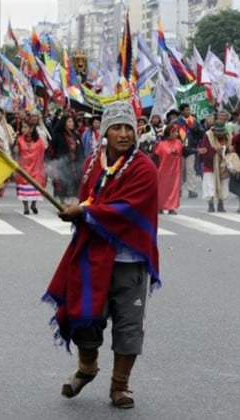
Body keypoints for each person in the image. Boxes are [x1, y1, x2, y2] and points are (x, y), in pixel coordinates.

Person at [43, 101, 160, 409]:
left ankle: (120, 386)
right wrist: (78, 210)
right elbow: (90, 199)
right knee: (85, 315)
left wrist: (84, 212)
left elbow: (126, 209)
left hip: (130, 261)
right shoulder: (95, 161)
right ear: (105, 131)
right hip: (94, 253)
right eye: (116, 127)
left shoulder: (144, 168)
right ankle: (87, 367)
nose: (123, 134)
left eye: (128, 128)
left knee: (128, 325)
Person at [13, 119, 47, 214]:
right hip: (23, 166)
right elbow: (16, 153)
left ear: (31, 128)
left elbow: (42, 152)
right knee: (23, 185)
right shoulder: (19, 139)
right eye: (22, 127)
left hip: (35, 167)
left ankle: (33, 204)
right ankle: (26, 207)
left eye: (25, 127)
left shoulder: (39, 140)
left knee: (36, 185)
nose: (23, 129)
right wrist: (16, 150)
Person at [50, 114, 84, 205]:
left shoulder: (75, 135)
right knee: (62, 183)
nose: (71, 123)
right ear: (64, 123)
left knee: (75, 184)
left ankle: (73, 204)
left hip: (75, 164)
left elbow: (80, 149)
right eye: (69, 121)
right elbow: (51, 149)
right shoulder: (58, 135)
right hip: (62, 164)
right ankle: (62, 204)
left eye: (72, 121)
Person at [199, 121, 232, 212]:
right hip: (210, 164)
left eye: (222, 133)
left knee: (223, 184)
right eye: (218, 133)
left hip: (223, 165)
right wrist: (214, 150)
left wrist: (229, 149)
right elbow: (203, 150)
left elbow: (231, 148)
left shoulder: (228, 136)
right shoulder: (208, 135)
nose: (220, 135)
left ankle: (221, 204)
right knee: (209, 184)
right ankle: (211, 205)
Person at [153, 124, 184, 214]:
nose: (176, 134)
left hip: (175, 171)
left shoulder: (179, 143)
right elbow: (155, 158)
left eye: (177, 132)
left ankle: (171, 207)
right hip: (162, 171)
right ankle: (159, 206)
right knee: (161, 189)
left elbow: (185, 152)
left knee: (173, 189)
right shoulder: (161, 145)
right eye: (174, 132)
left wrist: (197, 150)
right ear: (169, 133)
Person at [177, 103, 202, 198]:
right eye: (186, 110)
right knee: (179, 171)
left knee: (190, 170)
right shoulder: (176, 122)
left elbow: (201, 133)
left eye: (189, 109)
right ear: (181, 111)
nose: (189, 111)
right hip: (179, 150)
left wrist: (195, 143)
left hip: (191, 149)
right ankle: (178, 190)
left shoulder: (194, 121)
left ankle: (192, 190)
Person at [230, 130, 240, 212]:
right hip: (239, 164)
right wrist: (231, 149)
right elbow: (231, 147)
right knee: (237, 186)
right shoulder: (238, 137)